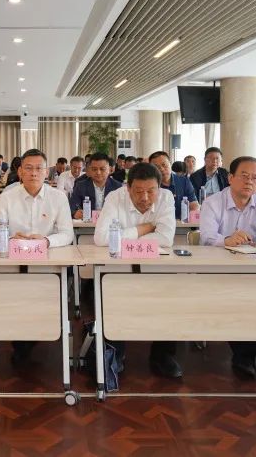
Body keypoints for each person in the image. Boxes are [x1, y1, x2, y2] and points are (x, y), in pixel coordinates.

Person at [199, 156, 256, 381]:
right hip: (218, 272)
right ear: (230, 178)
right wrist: (226, 240)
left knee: (252, 298)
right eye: (244, 176)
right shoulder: (212, 203)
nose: (250, 181)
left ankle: (244, 355)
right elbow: (207, 237)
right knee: (230, 299)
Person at [94, 162, 179, 378]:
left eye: (151, 191)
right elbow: (102, 238)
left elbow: (166, 238)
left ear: (159, 187)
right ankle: (115, 352)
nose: (145, 197)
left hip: (157, 269)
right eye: (138, 191)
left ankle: (163, 356)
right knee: (113, 299)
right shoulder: (115, 197)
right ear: (128, 188)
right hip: (119, 270)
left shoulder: (166, 198)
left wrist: (125, 238)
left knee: (170, 301)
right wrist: (144, 228)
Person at [0, 148, 75, 364]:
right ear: (20, 171)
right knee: (17, 301)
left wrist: (45, 241)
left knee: (45, 300)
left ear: (47, 172)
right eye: (28, 168)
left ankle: (38, 333)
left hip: (48, 265)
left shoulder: (58, 198)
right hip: (14, 264)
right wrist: (11, 238)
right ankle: (21, 341)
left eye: (39, 168)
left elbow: (67, 234)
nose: (34, 173)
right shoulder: (7, 198)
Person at [69, 153, 123, 218]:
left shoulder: (117, 187)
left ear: (110, 169)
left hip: (110, 222)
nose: (98, 172)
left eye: (102, 169)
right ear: (89, 170)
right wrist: (75, 213)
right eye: (94, 169)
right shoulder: (81, 186)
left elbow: (123, 209)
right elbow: (72, 206)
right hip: (87, 222)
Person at [147, 151, 199, 219]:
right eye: (156, 167)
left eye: (164, 165)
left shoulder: (184, 181)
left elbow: (194, 204)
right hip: (157, 223)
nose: (161, 169)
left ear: (170, 163)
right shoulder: (149, 185)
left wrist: (191, 219)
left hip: (180, 222)